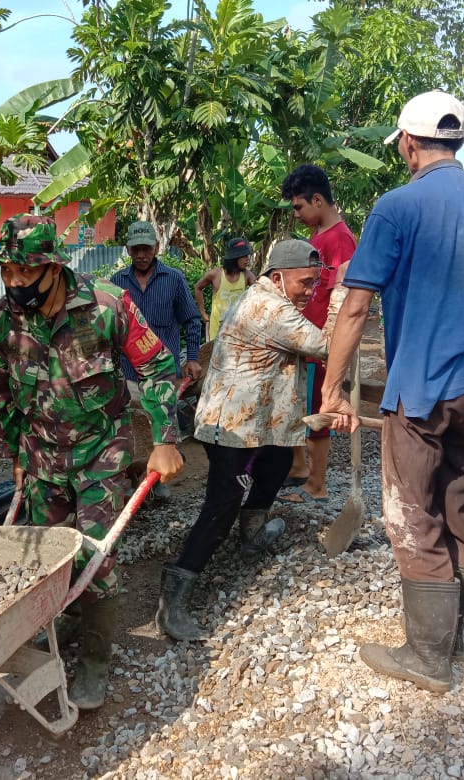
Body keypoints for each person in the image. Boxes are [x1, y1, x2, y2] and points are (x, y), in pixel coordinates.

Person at [320, 90, 464, 693]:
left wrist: (333, 389)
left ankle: (429, 658)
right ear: (457, 141)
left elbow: (355, 307)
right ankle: (451, 634)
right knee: (461, 504)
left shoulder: (397, 207)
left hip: (424, 387)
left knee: (412, 514)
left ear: (408, 143)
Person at [0, 214, 185, 709]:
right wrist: (13, 452)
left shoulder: (106, 307)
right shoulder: (1, 320)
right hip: (41, 459)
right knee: (41, 560)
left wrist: (164, 436)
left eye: (24, 272)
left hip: (101, 453)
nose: (14, 282)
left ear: (54, 267)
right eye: (7, 270)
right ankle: (60, 625)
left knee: (95, 559)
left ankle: (95, 661)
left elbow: (157, 363)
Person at [156, 239, 344, 642]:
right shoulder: (270, 308)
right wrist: (341, 297)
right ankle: (175, 592)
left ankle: (253, 531)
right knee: (222, 504)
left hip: (259, 420)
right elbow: (329, 346)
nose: (310, 291)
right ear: (278, 278)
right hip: (233, 429)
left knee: (277, 464)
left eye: (315, 283)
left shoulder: (269, 297)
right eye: (305, 283)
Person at [280, 164, 358, 502]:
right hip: (305, 340)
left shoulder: (340, 240)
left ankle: (317, 484)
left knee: (318, 413)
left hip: (321, 344)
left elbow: (346, 300)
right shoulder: (318, 238)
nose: (296, 213)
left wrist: (333, 346)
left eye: (298, 206)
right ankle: (300, 470)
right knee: (301, 407)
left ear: (317, 200)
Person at [111, 221, 202, 500]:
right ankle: (129, 478)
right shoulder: (116, 282)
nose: (141, 254)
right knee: (128, 429)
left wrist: (194, 358)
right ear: (128, 250)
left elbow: (192, 320)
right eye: (136, 249)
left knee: (160, 426)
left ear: (156, 248)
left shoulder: (173, 279)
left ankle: (157, 482)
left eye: (146, 249)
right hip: (128, 373)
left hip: (164, 374)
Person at [194, 236, 256, 340]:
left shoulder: (247, 276)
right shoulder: (215, 274)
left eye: (247, 256)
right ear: (234, 257)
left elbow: (260, 292)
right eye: (244, 256)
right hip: (217, 329)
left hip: (238, 329)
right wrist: (203, 313)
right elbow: (198, 288)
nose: (247, 259)